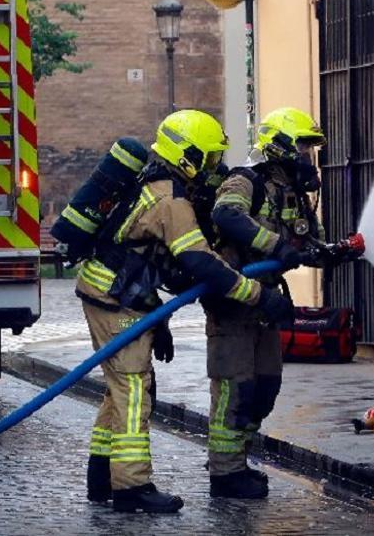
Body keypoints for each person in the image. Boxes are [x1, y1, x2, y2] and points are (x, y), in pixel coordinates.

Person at [77, 110, 294, 514]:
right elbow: (201, 263)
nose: (213, 168)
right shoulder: (171, 200)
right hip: (115, 297)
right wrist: (260, 297)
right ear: (187, 155)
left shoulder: (156, 184)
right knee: (134, 389)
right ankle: (131, 488)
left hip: (115, 292)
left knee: (119, 387)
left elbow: (149, 260)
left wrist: (156, 319)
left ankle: (101, 478)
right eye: (209, 158)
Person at [203, 107, 327, 499]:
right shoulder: (245, 180)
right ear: (281, 146)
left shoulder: (292, 193)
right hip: (233, 301)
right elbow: (226, 216)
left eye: (310, 147)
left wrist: (329, 252)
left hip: (267, 303)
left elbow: (308, 240)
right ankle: (225, 474)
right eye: (303, 146)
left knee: (265, 388)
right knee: (235, 390)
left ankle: (239, 461)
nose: (308, 155)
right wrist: (274, 246)